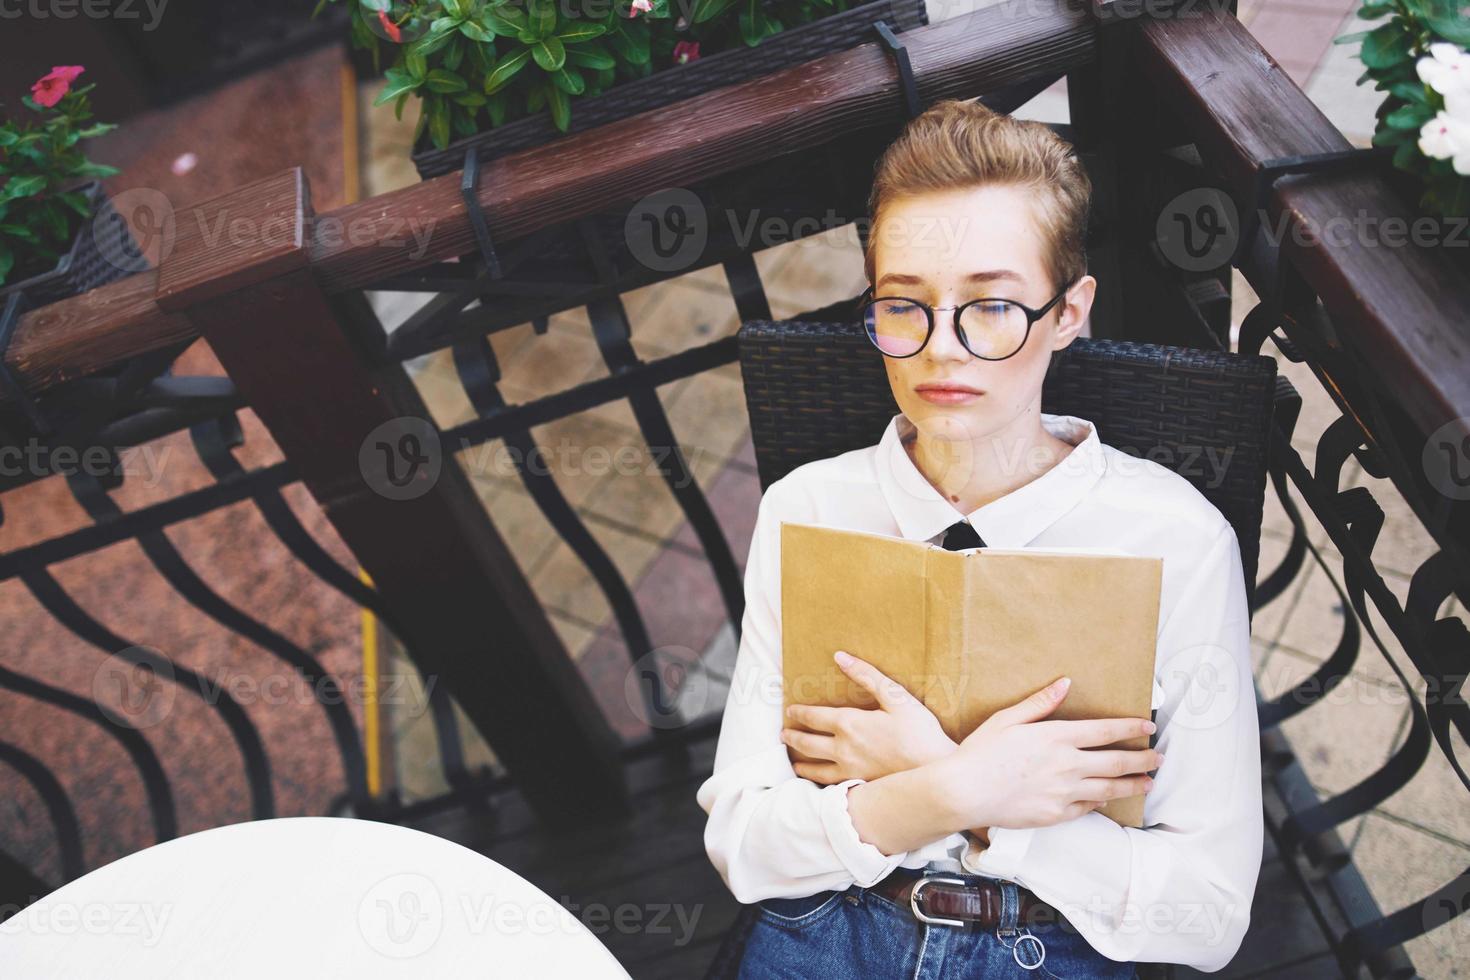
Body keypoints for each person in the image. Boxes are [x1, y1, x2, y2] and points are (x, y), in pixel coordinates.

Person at [695, 98, 1263, 978]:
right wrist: (958, 788)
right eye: (904, 305)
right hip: (828, 929)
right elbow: (743, 843)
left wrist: (956, 802)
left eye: (992, 307)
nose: (941, 353)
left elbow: (1208, 913)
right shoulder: (807, 508)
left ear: (1069, 312)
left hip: (1051, 944)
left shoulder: (1175, 540)